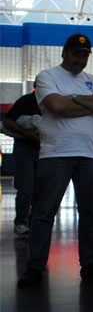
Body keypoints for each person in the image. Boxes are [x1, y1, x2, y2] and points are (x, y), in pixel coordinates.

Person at [18, 33, 93, 287]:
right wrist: (89, 105)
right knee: (43, 212)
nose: (80, 59)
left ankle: (90, 262)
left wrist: (71, 99)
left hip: (90, 155)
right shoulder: (47, 76)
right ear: (65, 53)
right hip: (56, 154)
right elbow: (56, 107)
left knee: (90, 214)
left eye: (84, 55)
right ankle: (35, 266)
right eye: (75, 53)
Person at [3, 85, 42, 236]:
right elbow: (7, 121)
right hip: (24, 148)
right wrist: (27, 134)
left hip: (44, 150)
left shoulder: (52, 103)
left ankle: (34, 221)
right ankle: (20, 222)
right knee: (26, 186)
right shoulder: (26, 101)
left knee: (41, 189)